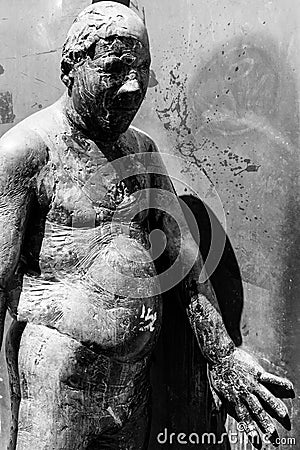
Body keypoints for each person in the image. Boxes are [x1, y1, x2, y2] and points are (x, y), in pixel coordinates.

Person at [0, 2, 294, 449]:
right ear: (70, 67)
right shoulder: (25, 153)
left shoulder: (142, 149)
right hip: (59, 378)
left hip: (130, 386)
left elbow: (182, 257)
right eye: (115, 69)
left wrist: (223, 356)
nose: (133, 86)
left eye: (143, 69)